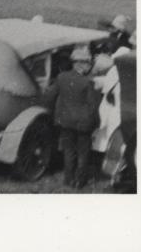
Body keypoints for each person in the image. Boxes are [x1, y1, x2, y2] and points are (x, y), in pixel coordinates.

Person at [43, 46, 101, 189]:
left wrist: (53, 114)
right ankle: (80, 182)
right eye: (87, 63)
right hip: (83, 123)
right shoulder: (88, 82)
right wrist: (96, 123)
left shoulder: (61, 77)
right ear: (81, 64)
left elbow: (50, 96)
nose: (89, 66)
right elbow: (93, 106)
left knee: (68, 151)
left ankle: (68, 179)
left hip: (65, 121)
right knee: (83, 153)